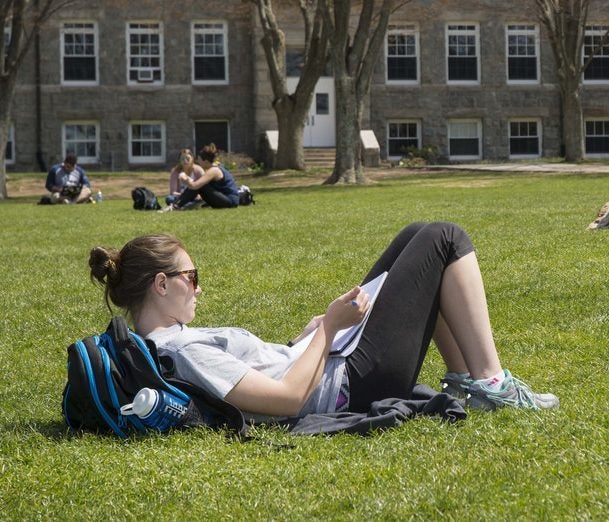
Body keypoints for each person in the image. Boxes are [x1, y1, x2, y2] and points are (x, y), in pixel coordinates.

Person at [88, 222, 559, 422]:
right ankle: (494, 385)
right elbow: (289, 400)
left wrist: (306, 337)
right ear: (161, 285)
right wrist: (331, 329)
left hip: (332, 361)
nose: (199, 286)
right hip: (350, 383)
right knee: (445, 239)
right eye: (192, 276)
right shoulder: (183, 352)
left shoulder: (174, 341)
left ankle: (471, 382)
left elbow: (266, 372)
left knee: (415, 236)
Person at [159, 143, 239, 212]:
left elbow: (195, 186)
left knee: (200, 186)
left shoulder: (214, 170)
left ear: (206, 161)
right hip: (223, 199)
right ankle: (177, 206)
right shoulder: (212, 168)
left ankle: (175, 206)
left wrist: (184, 179)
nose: (197, 161)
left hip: (230, 202)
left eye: (199, 159)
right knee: (199, 186)